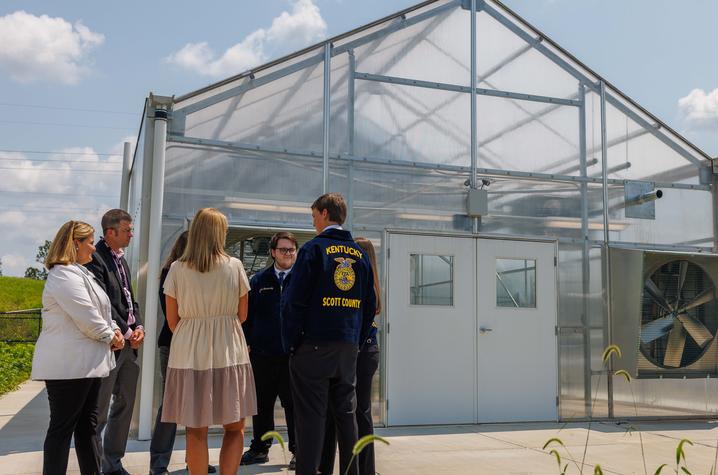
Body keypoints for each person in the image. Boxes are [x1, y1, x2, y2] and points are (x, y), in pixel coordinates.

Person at [282, 193, 376, 475]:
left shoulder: (313, 250)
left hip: (313, 347)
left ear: (324, 213)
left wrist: (292, 343)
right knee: (346, 418)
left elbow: (292, 302)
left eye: (314, 217)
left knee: (311, 419)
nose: (313, 223)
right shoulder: (360, 256)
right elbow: (369, 305)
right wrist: (354, 341)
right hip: (346, 349)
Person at [161, 207, 257, 475]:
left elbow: (172, 320)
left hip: (189, 351)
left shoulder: (177, 269)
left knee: (195, 428)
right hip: (229, 349)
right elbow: (243, 314)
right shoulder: (235, 266)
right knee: (235, 427)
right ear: (219, 233)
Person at [32, 220, 125, 475]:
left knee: (87, 428)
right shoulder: (62, 274)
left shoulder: (81, 272)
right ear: (75, 243)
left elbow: (101, 310)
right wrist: (111, 335)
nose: (94, 249)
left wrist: (114, 328)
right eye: (90, 242)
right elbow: (86, 316)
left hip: (87, 365)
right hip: (69, 367)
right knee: (63, 429)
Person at [150, 231, 217, 474]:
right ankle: (158, 463)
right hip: (174, 344)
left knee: (198, 404)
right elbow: (172, 318)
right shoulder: (172, 272)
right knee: (172, 404)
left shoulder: (199, 274)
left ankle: (195, 459)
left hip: (197, 345)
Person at [85, 209, 144, 475]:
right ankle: (94, 466)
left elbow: (130, 298)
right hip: (111, 345)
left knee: (125, 404)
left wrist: (139, 325)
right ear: (111, 232)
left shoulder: (121, 259)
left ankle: (113, 464)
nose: (132, 234)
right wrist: (129, 333)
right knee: (99, 412)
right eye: (127, 230)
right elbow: (105, 305)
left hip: (128, 347)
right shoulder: (94, 259)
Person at [318, 237, 381, 475]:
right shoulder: (370, 283)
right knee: (353, 412)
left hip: (359, 352)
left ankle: (362, 469)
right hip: (364, 351)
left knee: (353, 412)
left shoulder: (361, 283)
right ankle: (361, 468)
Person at [241, 232, 298, 470]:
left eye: (291, 249)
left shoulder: (303, 280)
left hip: (294, 356)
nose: (288, 253)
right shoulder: (258, 280)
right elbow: (247, 316)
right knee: (262, 405)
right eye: (283, 249)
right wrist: (248, 342)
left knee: (294, 405)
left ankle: (299, 450)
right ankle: (260, 449)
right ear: (273, 252)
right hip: (263, 355)